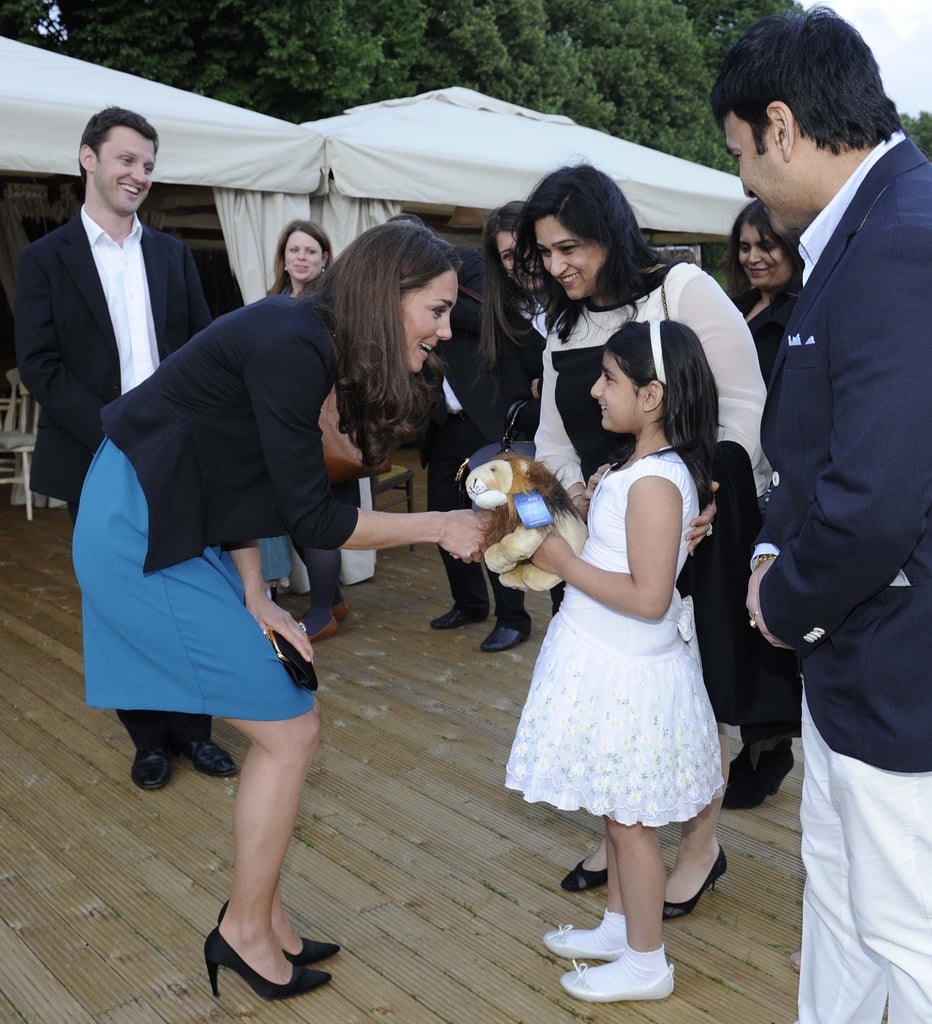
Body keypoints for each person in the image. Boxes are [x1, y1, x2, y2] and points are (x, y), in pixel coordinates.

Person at [71, 220, 484, 1001]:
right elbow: (316, 520)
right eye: (435, 308)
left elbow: (235, 470)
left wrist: (258, 593)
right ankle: (244, 933)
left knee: (294, 722)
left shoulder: (307, 337)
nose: (444, 328)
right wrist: (439, 524)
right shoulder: (298, 344)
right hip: (139, 527)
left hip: (176, 513)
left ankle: (266, 920)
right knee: (291, 733)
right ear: (389, 293)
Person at [712, 10, 932, 1023]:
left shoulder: (899, 239)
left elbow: (874, 499)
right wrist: (767, 547)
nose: (744, 182)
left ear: (781, 126)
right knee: (842, 913)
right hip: (850, 665)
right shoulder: (858, 232)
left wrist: (777, 603)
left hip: (896, 672)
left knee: (911, 938)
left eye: (740, 155)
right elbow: (809, 453)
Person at [513, 164, 767, 914]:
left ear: (608, 232)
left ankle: (699, 846)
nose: (558, 266)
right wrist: (574, 491)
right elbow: (552, 438)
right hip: (600, 536)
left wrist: (709, 487)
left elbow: (746, 402)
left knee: (695, 695)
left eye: (569, 248)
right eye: (545, 252)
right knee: (612, 695)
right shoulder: (561, 323)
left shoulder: (680, 291)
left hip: (693, 527)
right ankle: (623, 832)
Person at [14, 106, 235, 791]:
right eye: (127, 160)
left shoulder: (172, 254)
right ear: (88, 158)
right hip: (95, 454)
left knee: (192, 591)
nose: (139, 174)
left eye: (147, 164)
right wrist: (116, 428)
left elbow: (204, 349)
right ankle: (147, 738)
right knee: (119, 600)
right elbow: (41, 363)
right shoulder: (42, 259)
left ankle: (196, 731)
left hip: (177, 454)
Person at [506, 320, 723, 1002]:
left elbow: (651, 596)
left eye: (609, 379)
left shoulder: (655, 483)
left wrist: (564, 561)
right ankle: (620, 923)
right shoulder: (633, 469)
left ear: (652, 395)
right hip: (602, 657)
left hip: (629, 669)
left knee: (633, 822)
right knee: (613, 805)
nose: (595, 391)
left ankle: (646, 962)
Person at [422, 208, 542, 653]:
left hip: (489, 421)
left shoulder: (468, 270)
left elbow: (489, 317)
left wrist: (436, 301)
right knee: (440, 513)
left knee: (496, 520)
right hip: (445, 422)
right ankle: (469, 602)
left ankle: (514, 617)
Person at [720, 199, 803, 811]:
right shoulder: (734, 309)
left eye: (765, 245)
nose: (753, 257)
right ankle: (754, 734)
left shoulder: (804, 314)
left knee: (765, 611)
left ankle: (771, 745)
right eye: (744, 246)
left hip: (774, 482)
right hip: (732, 477)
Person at [261, 219, 351, 641]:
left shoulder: (332, 305)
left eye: (310, 251)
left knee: (316, 518)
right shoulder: (271, 302)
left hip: (318, 425)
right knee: (295, 516)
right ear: (284, 257)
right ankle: (332, 598)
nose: (301, 258)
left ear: (325, 259)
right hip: (281, 421)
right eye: (294, 250)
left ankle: (321, 612)